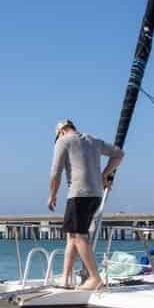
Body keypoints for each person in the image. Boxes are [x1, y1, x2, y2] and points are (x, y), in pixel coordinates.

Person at [47, 119, 124, 290]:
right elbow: (119, 154)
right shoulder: (92, 140)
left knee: (78, 236)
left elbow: (55, 172)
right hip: (95, 194)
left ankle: (94, 278)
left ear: (61, 131)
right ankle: (65, 278)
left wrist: (52, 195)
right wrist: (104, 175)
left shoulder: (63, 141)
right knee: (71, 235)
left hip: (79, 194)